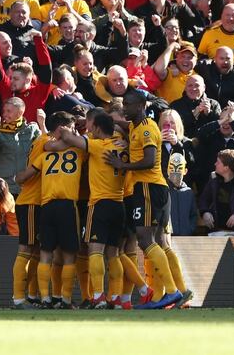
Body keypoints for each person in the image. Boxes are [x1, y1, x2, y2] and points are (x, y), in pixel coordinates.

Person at [105, 88, 187, 308]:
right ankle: (180, 289)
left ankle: (171, 292)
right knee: (159, 241)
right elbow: (124, 124)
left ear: (141, 106)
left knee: (144, 239)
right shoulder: (135, 126)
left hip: (149, 187)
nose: (125, 109)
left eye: (128, 105)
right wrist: (106, 119)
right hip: (151, 188)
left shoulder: (148, 129)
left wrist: (123, 165)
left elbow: (150, 160)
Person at [43, 113, 128, 308]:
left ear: (97, 128)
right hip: (119, 203)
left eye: (91, 125)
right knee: (113, 254)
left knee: (94, 250)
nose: (88, 129)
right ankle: (115, 297)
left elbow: (67, 138)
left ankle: (98, 296)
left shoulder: (97, 145)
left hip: (100, 204)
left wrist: (68, 129)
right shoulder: (122, 144)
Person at [15, 111, 83, 309]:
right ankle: (60, 299)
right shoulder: (62, 146)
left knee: (44, 252)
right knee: (62, 253)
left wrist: (16, 178)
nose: (74, 131)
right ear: (62, 128)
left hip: (45, 205)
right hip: (50, 203)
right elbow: (63, 144)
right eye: (71, 127)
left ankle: (44, 297)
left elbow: (24, 175)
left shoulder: (47, 152)